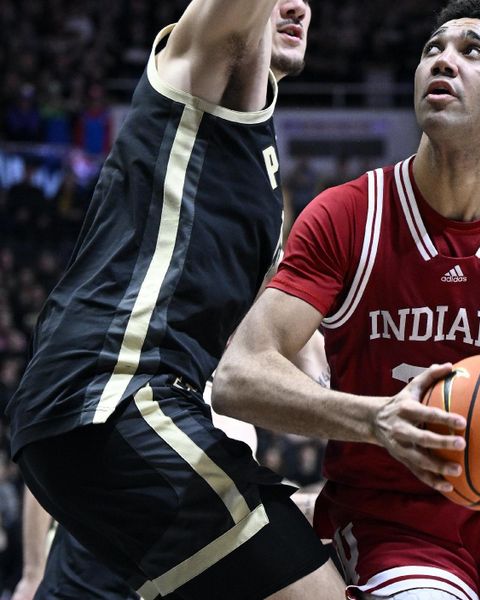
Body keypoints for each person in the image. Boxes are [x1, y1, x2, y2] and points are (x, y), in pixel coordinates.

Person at [213, 0, 480, 598]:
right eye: (433, 49)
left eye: (471, 52)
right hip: (392, 518)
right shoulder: (347, 214)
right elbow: (239, 375)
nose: (443, 61)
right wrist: (375, 419)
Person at [6, 1, 344, 598]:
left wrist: (361, 414)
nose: (297, 5)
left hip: (118, 418)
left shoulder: (259, 178)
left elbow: (301, 344)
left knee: (335, 541)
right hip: (113, 393)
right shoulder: (198, 70)